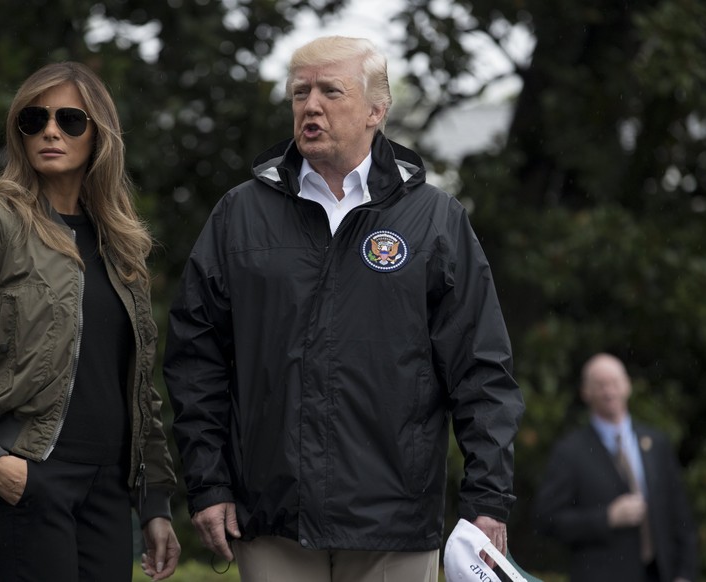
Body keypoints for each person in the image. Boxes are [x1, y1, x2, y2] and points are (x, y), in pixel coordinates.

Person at [163, 35, 525, 582]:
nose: (311, 106)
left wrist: (489, 499)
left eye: (331, 91)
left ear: (376, 110)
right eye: (299, 92)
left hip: (395, 524)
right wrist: (209, 484)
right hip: (273, 519)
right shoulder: (240, 216)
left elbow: (482, 371)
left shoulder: (435, 220)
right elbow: (196, 361)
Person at [0, 62, 180, 581]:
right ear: (19, 132)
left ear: (100, 135)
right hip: (29, 477)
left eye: (71, 120)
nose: (51, 130)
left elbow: (139, 389)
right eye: (34, 119)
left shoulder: (120, 245)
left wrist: (155, 500)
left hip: (108, 490)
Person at [534, 353, 698, 582]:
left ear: (627, 385)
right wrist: (606, 518)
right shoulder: (570, 452)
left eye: (614, 382)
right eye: (600, 385)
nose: (609, 391)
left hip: (661, 574)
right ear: (585, 392)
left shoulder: (656, 443)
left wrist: (685, 574)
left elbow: (680, 515)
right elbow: (547, 520)